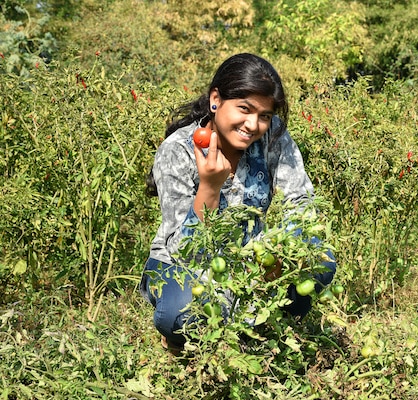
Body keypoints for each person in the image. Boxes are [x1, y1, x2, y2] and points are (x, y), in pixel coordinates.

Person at [140, 53, 336, 354]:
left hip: (252, 263)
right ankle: (184, 338)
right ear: (216, 99)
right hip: (182, 265)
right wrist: (209, 187)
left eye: (264, 115)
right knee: (180, 314)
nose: (253, 125)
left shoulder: (274, 137)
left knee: (318, 257)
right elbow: (185, 251)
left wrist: (282, 253)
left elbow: (302, 202)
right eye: (244, 109)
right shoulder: (177, 150)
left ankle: (261, 330)